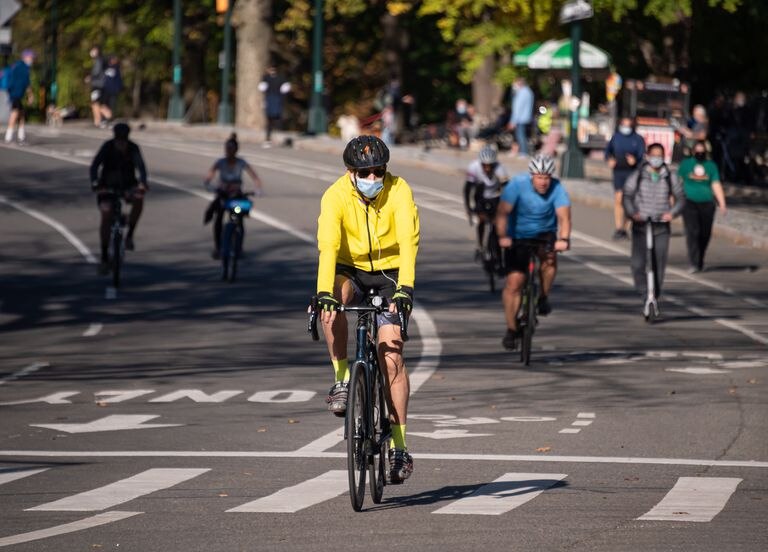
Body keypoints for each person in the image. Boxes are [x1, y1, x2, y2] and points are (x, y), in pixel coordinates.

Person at [315, 135, 419, 483]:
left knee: (391, 355)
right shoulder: (335, 195)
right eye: (365, 172)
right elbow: (328, 246)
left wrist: (405, 289)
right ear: (350, 172)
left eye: (378, 171)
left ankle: (400, 447)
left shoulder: (399, 190)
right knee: (332, 305)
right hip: (349, 267)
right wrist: (322, 293)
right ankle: (342, 379)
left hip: (390, 272)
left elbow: (408, 241)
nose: (373, 178)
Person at [495, 154, 571, 350]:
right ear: (531, 176)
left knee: (550, 259)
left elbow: (564, 218)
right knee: (514, 282)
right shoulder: (516, 185)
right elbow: (503, 213)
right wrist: (503, 236)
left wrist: (563, 239)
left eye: (547, 178)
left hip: (545, 234)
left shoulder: (557, 188)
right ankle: (511, 329)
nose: (543, 182)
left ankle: (543, 297)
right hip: (518, 235)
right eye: (539, 177)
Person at [622, 143, 685, 308]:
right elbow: (627, 196)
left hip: (661, 226)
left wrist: (672, 213)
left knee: (659, 263)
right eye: (654, 155)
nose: (657, 159)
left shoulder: (670, 176)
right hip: (641, 225)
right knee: (637, 264)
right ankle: (644, 293)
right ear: (648, 156)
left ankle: (654, 294)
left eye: (660, 155)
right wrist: (633, 213)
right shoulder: (638, 175)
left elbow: (680, 198)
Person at [89, 123, 148, 274]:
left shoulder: (133, 148)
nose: (121, 144)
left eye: (124, 141)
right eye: (118, 140)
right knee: (106, 213)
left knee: (139, 199)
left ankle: (129, 236)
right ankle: (103, 257)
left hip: (128, 185)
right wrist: (95, 183)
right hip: (107, 186)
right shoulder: (107, 147)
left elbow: (141, 168)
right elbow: (94, 166)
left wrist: (142, 184)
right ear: (114, 138)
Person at [203, 133, 264, 259]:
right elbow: (210, 175)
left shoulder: (241, 163)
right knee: (218, 217)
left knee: (239, 218)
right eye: (227, 148)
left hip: (236, 196)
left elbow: (255, 178)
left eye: (231, 149)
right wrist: (208, 184)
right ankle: (218, 247)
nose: (228, 151)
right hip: (223, 194)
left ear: (236, 150)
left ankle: (239, 247)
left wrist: (257, 189)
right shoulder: (220, 162)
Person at [678, 140, 727, 273]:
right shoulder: (686, 164)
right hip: (689, 202)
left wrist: (722, 202)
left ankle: (700, 259)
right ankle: (693, 262)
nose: (700, 153)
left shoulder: (711, 166)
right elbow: (679, 182)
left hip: (707, 203)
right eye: (697, 150)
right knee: (693, 231)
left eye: (702, 150)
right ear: (693, 152)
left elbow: (715, 184)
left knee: (705, 233)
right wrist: (675, 199)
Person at [464, 144, 510, 255]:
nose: (487, 168)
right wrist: (468, 208)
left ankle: (496, 247)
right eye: (485, 165)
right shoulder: (474, 167)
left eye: (490, 165)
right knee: (482, 220)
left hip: (495, 196)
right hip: (480, 196)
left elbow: (507, 189)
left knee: (496, 223)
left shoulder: (500, 168)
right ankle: (480, 245)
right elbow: (467, 190)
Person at [605, 116, 646, 240]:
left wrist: (635, 160)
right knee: (618, 198)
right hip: (618, 171)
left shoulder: (638, 139)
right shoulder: (616, 137)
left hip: (632, 172)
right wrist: (609, 159)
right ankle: (618, 227)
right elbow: (608, 152)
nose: (626, 127)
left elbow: (641, 155)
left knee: (628, 200)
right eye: (624, 124)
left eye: (628, 125)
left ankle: (625, 228)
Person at [3, 49, 35, 145]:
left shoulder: (16, 65)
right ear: (26, 57)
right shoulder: (24, 68)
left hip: (13, 92)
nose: (32, 59)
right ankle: (8, 137)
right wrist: (30, 95)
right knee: (15, 113)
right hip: (16, 94)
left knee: (21, 114)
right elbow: (26, 83)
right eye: (31, 57)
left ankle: (21, 137)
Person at [258, 66, 291, 145]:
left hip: (272, 99)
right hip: (276, 99)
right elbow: (286, 88)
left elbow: (261, 88)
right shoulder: (281, 78)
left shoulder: (266, 78)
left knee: (271, 119)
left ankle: (270, 138)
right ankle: (271, 137)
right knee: (275, 118)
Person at [507, 77, 534, 157]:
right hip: (525, 117)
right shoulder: (528, 92)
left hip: (520, 118)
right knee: (521, 135)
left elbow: (518, 108)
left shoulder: (522, 92)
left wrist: (513, 121)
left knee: (520, 136)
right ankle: (519, 151)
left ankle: (523, 152)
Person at [87, 46, 111, 128]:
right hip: (102, 85)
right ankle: (103, 119)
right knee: (99, 102)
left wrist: (90, 77)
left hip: (97, 85)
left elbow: (96, 72)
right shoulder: (102, 60)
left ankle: (99, 120)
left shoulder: (98, 61)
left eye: (93, 51)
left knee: (95, 103)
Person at [102, 54, 123, 120]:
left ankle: (111, 117)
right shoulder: (105, 68)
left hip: (113, 90)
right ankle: (105, 117)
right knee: (104, 104)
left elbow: (119, 80)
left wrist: (119, 88)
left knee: (112, 104)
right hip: (105, 90)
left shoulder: (116, 68)